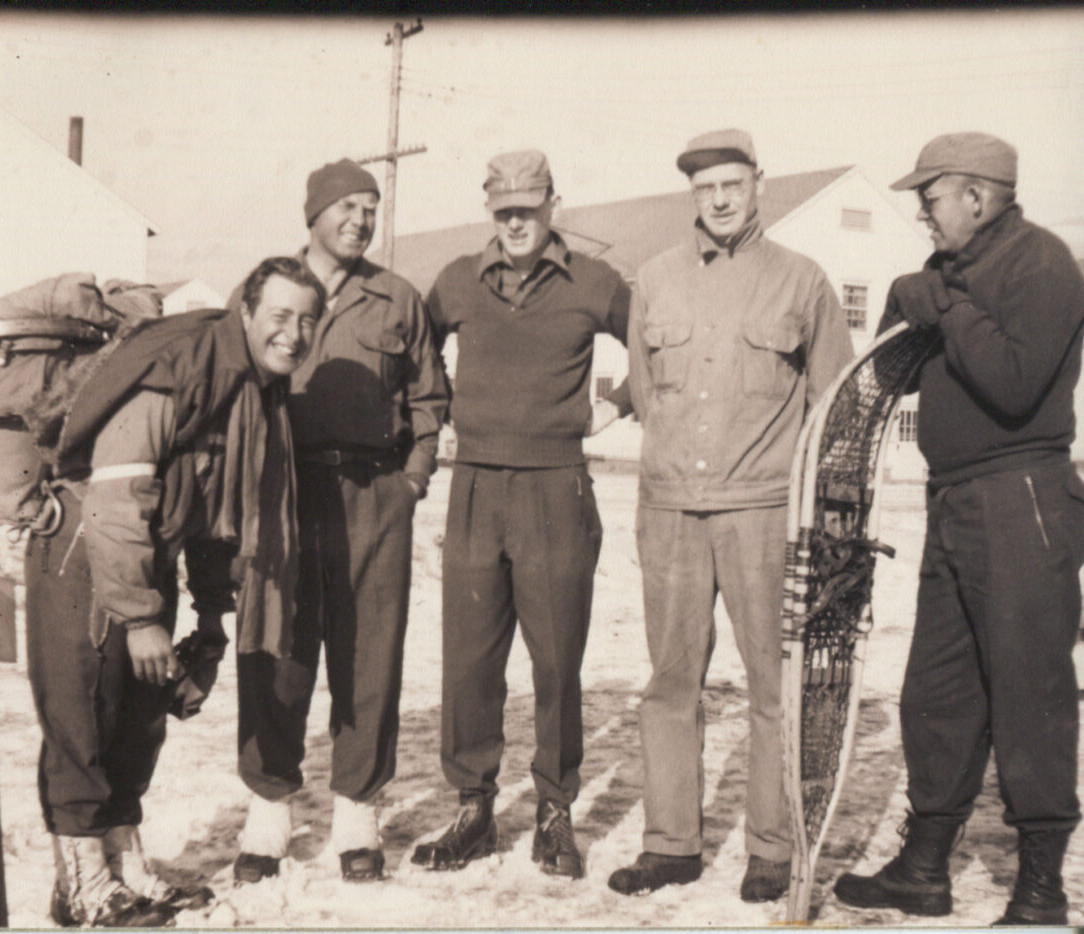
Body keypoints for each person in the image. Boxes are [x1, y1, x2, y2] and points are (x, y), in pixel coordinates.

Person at [833, 133, 1084, 925]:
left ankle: (1041, 885)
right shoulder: (951, 271)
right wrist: (904, 304)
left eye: (930, 197)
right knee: (937, 689)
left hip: (1023, 497)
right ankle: (925, 867)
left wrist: (940, 303)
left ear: (976, 196)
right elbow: (888, 369)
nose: (920, 213)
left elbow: (1014, 384)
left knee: (1029, 689)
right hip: (952, 498)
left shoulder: (1042, 264)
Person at [28, 256, 324, 926]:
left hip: (142, 557)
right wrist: (140, 618)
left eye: (308, 320)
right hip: (87, 548)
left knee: (139, 717)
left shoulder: (251, 388)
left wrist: (212, 619)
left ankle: (124, 871)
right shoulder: (185, 367)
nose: (295, 334)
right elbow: (116, 497)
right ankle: (81, 887)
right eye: (281, 315)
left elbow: (215, 512)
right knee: (86, 716)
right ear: (246, 311)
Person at [610, 129, 854, 901]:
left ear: (758, 185)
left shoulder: (803, 280)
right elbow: (647, 395)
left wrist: (828, 521)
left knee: (770, 684)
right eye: (705, 187)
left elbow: (834, 408)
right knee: (670, 683)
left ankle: (772, 849)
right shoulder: (654, 278)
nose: (718, 200)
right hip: (672, 511)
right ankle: (671, 845)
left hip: (763, 515)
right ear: (693, 193)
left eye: (732, 185)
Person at [411, 149, 632, 880]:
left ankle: (554, 810)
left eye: (528, 207)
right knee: (470, 658)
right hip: (475, 484)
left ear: (551, 205)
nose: (515, 221)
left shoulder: (593, 282)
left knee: (556, 658)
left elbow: (657, 343)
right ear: (490, 210)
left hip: (555, 488)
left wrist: (618, 405)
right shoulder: (456, 281)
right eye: (502, 208)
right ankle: (473, 807)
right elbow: (417, 344)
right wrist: (437, 408)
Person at [229, 159, 448, 883]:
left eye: (370, 207)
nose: (359, 219)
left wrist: (412, 480)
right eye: (346, 206)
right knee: (279, 645)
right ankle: (269, 807)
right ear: (313, 213)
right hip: (284, 492)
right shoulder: (269, 289)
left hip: (372, 495)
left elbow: (429, 399)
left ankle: (358, 808)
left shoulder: (398, 298)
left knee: (368, 652)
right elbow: (231, 383)